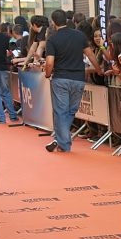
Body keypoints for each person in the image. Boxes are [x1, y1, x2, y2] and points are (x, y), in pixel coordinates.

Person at [44, 9, 103, 152]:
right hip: (78, 79)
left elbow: (49, 62)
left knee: (61, 112)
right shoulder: (79, 35)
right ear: (66, 20)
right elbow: (90, 55)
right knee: (71, 111)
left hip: (60, 79)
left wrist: (47, 74)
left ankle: (62, 143)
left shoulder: (52, 39)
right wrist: (99, 69)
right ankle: (62, 140)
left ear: (53, 22)